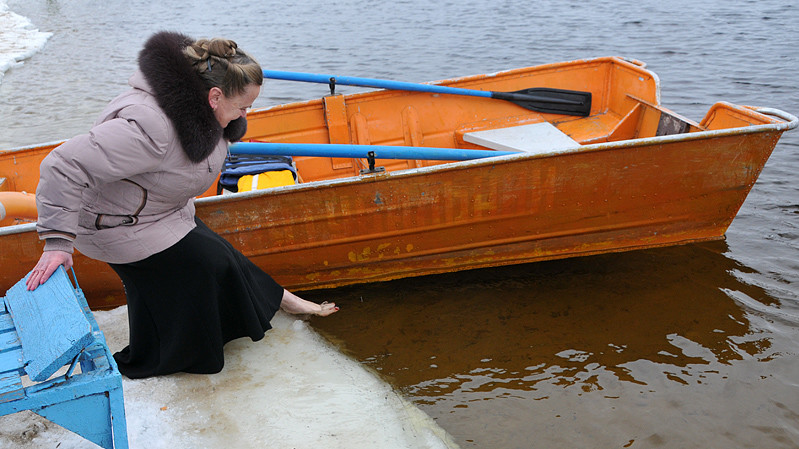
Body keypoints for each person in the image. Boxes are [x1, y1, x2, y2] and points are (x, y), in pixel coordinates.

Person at [25, 31, 338, 379]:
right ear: (215, 96)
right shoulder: (150, 126)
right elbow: (62, 165)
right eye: (243, 107)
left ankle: (282, 300)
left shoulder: (203, 109)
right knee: (204, 263)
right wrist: (56, 242)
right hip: (112, 224)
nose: (245, 115)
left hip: (157, 212)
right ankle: (160, 358)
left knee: (220, 252)